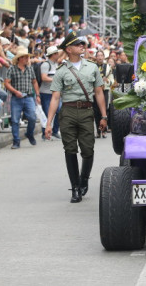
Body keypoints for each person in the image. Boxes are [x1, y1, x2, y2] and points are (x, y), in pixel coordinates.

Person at [44, 32, 108, 203]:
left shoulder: (92, 67)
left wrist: (103, 116)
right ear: (69, 49)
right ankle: (75, 188)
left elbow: (99, 92)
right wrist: (48, 123)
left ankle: (84, 179)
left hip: (87, 112)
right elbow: (55, 97)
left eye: (82, 44)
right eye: (78, 44)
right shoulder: (61, 71)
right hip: (68, 112)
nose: (82, 46)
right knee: (70, 149)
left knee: (88, 150)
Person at [4, 47, 40, 149]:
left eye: (27, 57)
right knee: (15, 120)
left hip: (28, 97)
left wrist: (37, 95)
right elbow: (6, 83)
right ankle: (16, 141)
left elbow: (34, 82)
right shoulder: (12, 69)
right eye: (25, 57)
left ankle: (29, 134)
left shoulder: (30, 69)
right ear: (19, 59)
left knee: (32, 118)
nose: (27, 59)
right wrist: (15, 92)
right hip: (16, 98)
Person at [40, 46, 62, 140]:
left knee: (60, 111)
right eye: (56, 53)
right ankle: (44, 133)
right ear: (53, 55)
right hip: (46, 93)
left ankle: (55, 131)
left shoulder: (56, 64)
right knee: (47, 113)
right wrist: (55, 80)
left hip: (55, 92)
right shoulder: (45, 65)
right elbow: (44, 77)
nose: (58, 54)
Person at [93, 50, 111, 138]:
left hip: (105, 90)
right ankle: (97, 130)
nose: (100, 57)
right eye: (98, 55)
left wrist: (107, 81)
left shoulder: (108, 67)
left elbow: (112, 81)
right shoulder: (92, 67)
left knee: (104, 110)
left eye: (101, 55)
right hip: (95, 91)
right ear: (96, 57)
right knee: (96, 111)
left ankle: (103, 130)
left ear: (103, 57)